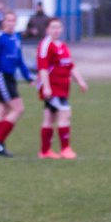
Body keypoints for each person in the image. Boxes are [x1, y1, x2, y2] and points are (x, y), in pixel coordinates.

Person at [0, 9, 34, 156]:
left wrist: (28, 77)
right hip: (1, 77)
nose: (11, 23)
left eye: (13, 21)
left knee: (3, 111)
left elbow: (19, 60)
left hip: (10, 78)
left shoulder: (16, 38)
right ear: (3, 22)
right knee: (18, 109)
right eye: (8, 20)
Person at [36, 17, 88, 159]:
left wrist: (81, 81)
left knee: (49, 117)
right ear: (47, 29)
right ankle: (65, 149)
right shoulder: (46, 45)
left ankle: (45, 151)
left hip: (63, 88)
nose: (56, 30)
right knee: (65, 113)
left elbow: (70, 66)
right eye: (53, 27)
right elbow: (43, 68)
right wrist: (46, 87)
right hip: (52, 88)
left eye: (58, 27)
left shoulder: (62, 45)